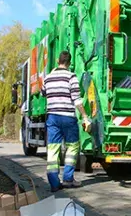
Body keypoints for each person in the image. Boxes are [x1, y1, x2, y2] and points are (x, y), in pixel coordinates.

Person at [37, 51, 91, 192]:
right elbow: (77, 100)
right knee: (72, 146)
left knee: (53, 148)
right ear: (69, 62)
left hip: (52, 117)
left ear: (57, 60)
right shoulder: (71, 77)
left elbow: (43, 93)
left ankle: (54, 183)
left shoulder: (48, 78)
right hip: (68, 117)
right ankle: (68, 179)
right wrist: (85, 117)